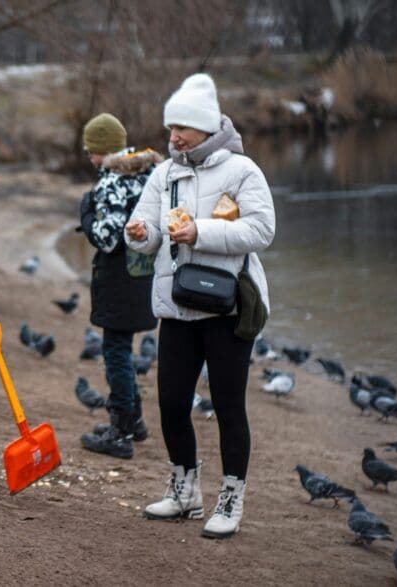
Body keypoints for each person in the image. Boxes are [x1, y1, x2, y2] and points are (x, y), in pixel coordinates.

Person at [124, 73, 275, 539]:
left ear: (206, 128)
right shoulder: (164, 172)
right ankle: (185, 489)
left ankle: (230, 498)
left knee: (229, 405)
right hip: (177, 305)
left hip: (228, 306)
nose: (173, 137)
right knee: (170, 403)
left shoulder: (242, 170)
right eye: (171, 128)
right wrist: (141, 235)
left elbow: (261, 231)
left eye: (182, 128)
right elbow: (148, 231)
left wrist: (200, 232)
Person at [76, 113, 162, 460]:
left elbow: (108, 239)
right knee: (123, 350)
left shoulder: (112, 181)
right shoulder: (149, 174)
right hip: (143, 277)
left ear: (102, 150)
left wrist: (85, 214)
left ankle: (121, 431)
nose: (89, 157)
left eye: (90, 151)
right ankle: (134, 422)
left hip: (118, 279)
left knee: (115, 351)